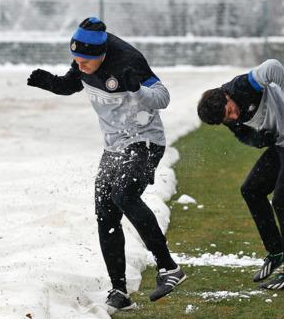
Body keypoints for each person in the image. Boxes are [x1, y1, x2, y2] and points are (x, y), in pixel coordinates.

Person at [26, 17, 186, 312]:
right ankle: (119, 291)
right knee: (105, 212)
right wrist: (49, 82)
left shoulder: (128, 60)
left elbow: (163, 98)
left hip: (145, 140)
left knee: (124, 195)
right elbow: (70, 84)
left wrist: (137, 90)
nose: (79, 66)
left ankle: (169, 268)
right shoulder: (85, 58)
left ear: (102, 55)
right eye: (75, 59)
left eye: (85, 62)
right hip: (114, 144)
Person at [197, 59, 284, 290]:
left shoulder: (243, 86)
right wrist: (257, 139)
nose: (233, 117)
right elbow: (242, 134)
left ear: (227, 97)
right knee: (251, 190)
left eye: (230, 111)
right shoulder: (225, 114)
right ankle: (276, 251)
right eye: (226, 119)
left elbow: (273, 66)